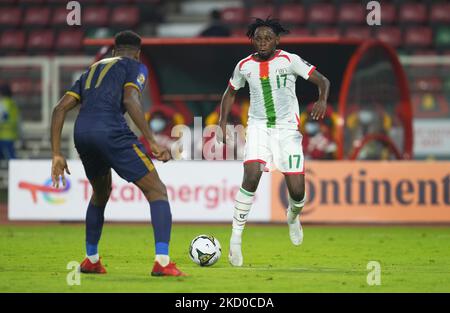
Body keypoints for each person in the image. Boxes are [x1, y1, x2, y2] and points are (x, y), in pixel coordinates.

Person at [50, 30, 185, 276]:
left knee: (100, 193)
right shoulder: (134, 66)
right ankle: (162, 263)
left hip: (82, 133)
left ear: (114, 51)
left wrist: (57, 154)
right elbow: (132, 100)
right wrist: (152, 141)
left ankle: (91, 259)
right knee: (157, 191)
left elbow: (60, 109)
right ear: (138, 53)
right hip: (111, 131)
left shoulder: (92, 70)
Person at [218, 18, 330, 266]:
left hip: (287, 131)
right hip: (258, 128)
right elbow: (230, 92)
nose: (263, 42)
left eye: (268, 38)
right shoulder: (244, 66)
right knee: (251, 176)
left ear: (277, 40)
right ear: (252, 40)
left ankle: (292, 216)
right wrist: (222, 120)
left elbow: (323, 81)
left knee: (298, 192)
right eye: (258, 38)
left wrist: (322, 99)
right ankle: (235, 239)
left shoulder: (290, 60)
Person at [0, 84, 20, 160]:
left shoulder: (2, 104)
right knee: (12, 160)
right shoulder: (14, 104)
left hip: (1, 136)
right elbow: (18, 121)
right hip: (11, 136)